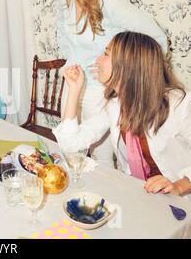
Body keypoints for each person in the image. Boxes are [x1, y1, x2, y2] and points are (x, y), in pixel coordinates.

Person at [51, 0, 167, 168]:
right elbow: (66, 45)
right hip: (72, 88)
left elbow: (158, 40)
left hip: (101, 93)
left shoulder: (111, 1)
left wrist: (125, 73)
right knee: (71, 155)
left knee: (101, 162)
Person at [53, 31, 191, 198]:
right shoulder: (116, 104)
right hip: (140, 194)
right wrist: (74, 90)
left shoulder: (180, 104)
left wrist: (177, 187)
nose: (98, 60)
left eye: (106, 54)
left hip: (181, 201)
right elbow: (71, 144)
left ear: (128, 64)